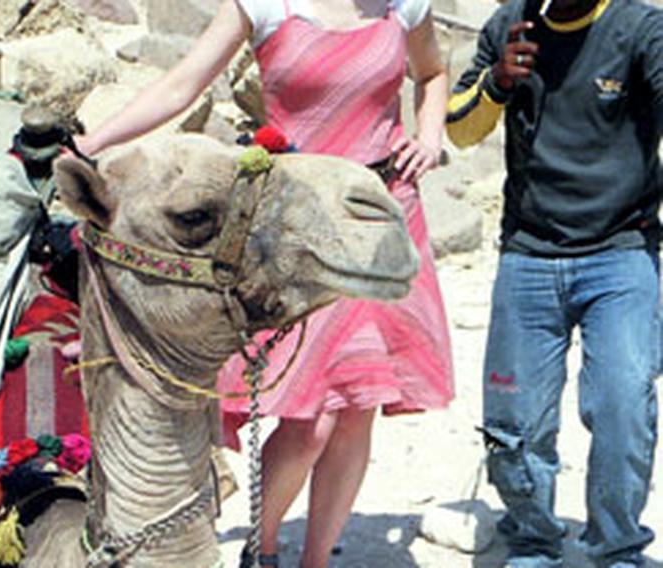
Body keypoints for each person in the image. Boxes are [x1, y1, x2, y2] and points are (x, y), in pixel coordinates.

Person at [76, 1, 454, 566]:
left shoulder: (404, 6)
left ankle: (316, 559)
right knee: (309, 423)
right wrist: (91, 144)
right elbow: (182, 84)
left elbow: (433, 73)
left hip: (380, 212)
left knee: (357, 408)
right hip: (294, 232)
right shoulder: (263, 4)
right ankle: (264, 549)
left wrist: (429, 135)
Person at [447, 0, 662, 566]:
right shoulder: (507, 26)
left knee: (623, 406)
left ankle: (616, 547)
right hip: (529, 254)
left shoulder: (640, 28)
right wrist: (497, 83)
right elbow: (459, 129)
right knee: (514, 421)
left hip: (621, 252)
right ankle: (533, 539)